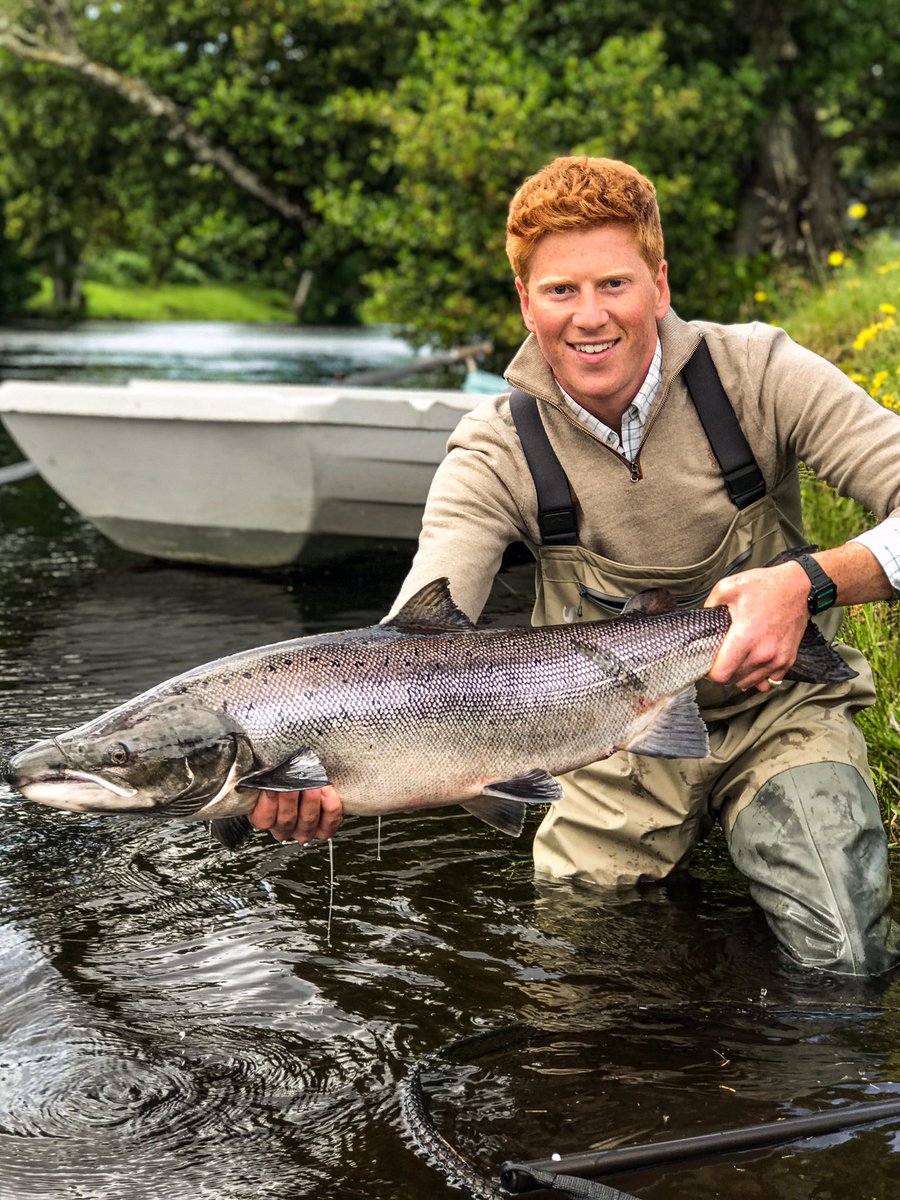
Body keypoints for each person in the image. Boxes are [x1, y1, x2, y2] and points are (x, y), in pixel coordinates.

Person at [251, 156, 900, 976]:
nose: (589, 317)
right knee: (576, 983)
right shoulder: (493, 446)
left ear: (659, 285)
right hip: (595, 740)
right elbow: (415, 630)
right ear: (526, 302)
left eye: (614, 285)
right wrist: (329, 763)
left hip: (781, 711)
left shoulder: (761, 373)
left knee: (847, 948)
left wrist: (807, 583)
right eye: (560, 291)